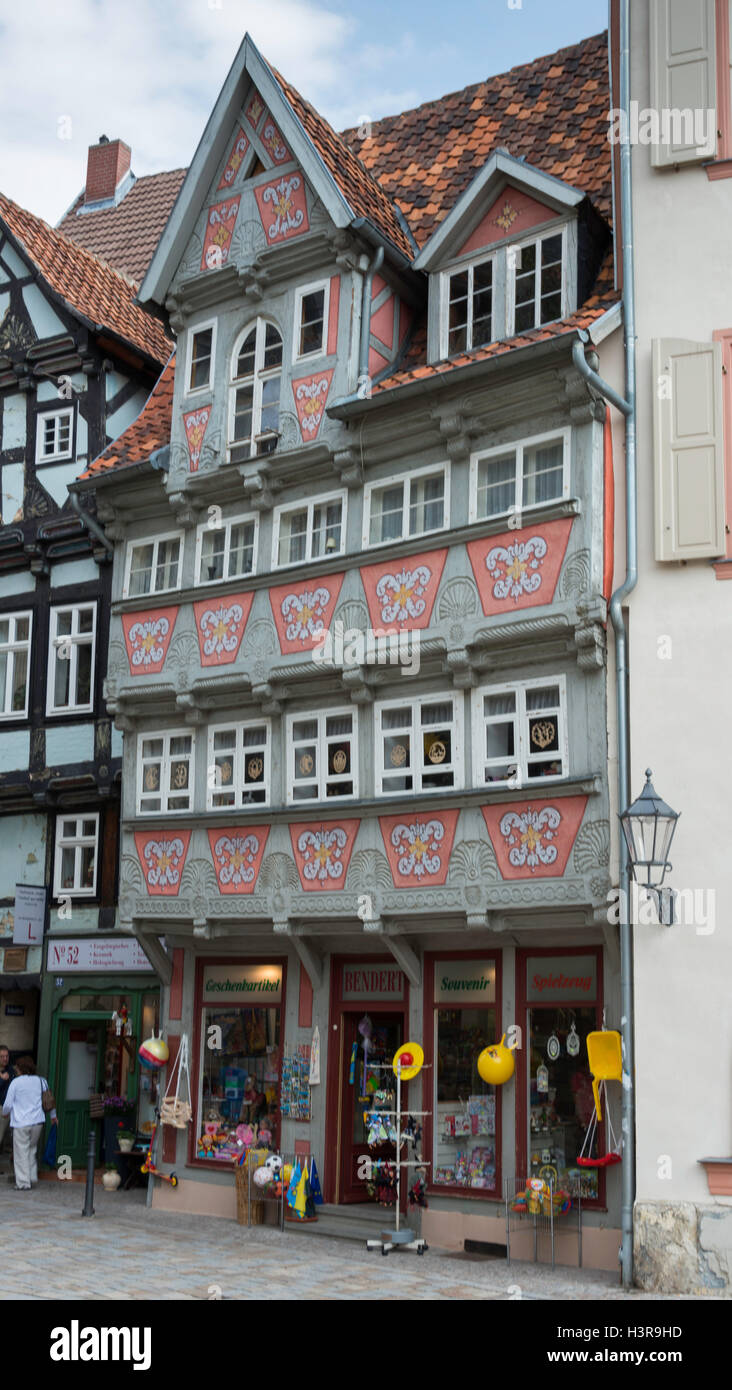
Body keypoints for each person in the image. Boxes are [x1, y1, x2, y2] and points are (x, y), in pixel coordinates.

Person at [2, 1055, 57, 1191]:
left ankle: (23, 1182)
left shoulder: (16, 1082)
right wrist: (53, 1116)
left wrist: (5, 1112)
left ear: (20, 1068)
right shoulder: (41, 1081)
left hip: (21, 1122)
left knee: (21, 1152)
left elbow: (8, 1104)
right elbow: (49, 1100)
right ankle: (32, 1177)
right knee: (32, 1150)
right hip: (37, 1121)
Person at [0, 1045, 16, 1161]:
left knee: (7, 1139)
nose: (5, 1059)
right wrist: (1, 1079)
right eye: (2, 1056)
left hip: (9, 1108)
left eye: (6, 1056)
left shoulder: (11, 1070)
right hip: (1, 1108)